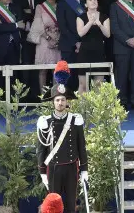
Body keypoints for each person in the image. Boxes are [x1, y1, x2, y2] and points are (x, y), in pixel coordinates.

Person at [36, 62, 88, 213]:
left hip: (72, 167)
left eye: (63, 100)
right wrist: (42, 171)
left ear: (67, 102)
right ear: (53, 102)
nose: (60, 103)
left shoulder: (75, 120)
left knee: (71, 205)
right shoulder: (45, 122)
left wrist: (84, 169)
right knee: (53, 206)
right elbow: (41, 150)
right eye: (57, 100)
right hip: (54, 168)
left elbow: (81, 145)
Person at [28, 0, 62, 94]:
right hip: (44, 40)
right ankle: (43, 97)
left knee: (56, 69)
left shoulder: (60, 6)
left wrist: (57, 38)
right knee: (43, 70)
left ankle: (55, 96)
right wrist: (48, 38)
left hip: (57, 39)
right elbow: (38, 25)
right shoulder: (40, 7)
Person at [76, 0, 110, 93]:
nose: (93, 1)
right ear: (86, 4)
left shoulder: (104, 17)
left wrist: (99, 23)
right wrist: (90, 22)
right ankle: (82, 107)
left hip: (99, 52)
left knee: (98, 84)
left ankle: (97, 108)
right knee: (83, 84)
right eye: (90, 0)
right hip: (85, 52)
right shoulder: (81, 17)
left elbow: (107, 34)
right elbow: (81, 33)